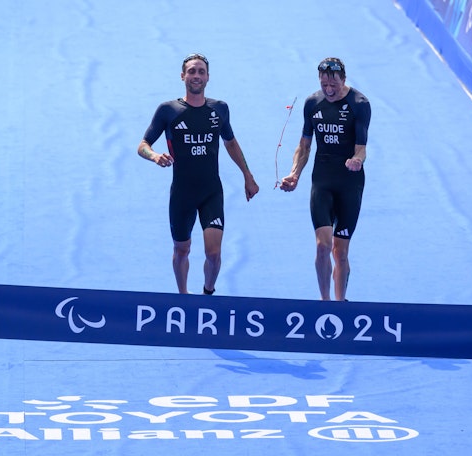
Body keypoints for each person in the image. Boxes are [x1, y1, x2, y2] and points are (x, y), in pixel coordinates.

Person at [138, 53, 259, 295]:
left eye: (201, 71)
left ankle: (207, 293)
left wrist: (248, 175)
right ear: (183, 76)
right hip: (182, 194)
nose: (196, 76)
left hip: (211, 192)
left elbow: (231, 143)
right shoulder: (168, 110)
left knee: (214, 254)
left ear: (208, 77)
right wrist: (155, 156)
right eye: (192, 71)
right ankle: (183, 296)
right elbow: (142, 145)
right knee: (182, 249)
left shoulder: (219, 109)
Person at [280, 57, 371, 301]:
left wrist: (357, 160)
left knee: (340, 252)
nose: (329, 90)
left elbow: (361, 147)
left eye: (334, 85)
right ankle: (325, 302)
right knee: (323, 246)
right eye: (324, 85)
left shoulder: (359, 104)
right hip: (322, 181)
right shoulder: (312, 103)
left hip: (349, 183)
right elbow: (304, 145)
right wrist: (294, 174)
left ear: (344, 79)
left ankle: (340, 304)